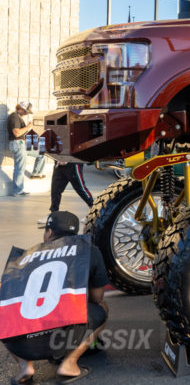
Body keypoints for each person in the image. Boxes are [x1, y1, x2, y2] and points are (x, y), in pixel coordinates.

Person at [1, 211, 109, 383]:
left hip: (20, 345)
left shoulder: (24, 258)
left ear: (50, 232)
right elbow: (97, 298)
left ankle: (25, 366)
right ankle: (69, 363)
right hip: (63, 337)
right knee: (102, 308)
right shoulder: (89, 251)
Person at [6, 101, 34, 196]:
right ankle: (17, 190)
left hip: (19, 143)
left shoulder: (17, 117)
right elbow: (17, 133)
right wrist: (28, 126)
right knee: (19, 168)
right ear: (20, 109)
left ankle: (36, 174)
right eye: (26, 111)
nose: (26, 114)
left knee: (40, 154)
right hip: (18, 144)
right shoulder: (14, 117)